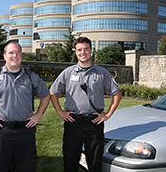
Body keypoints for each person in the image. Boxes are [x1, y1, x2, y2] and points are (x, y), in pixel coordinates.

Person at [0, 40, 50, 172]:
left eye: (18, 52)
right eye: (11, 52)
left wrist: (38, 114)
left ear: (21, 56)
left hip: (25, 131)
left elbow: (46, 95)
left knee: (26, 168)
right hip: (1, 131)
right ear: (5, 56)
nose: (15, 55)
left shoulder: (31, 77)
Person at [50, 37, 122, 172]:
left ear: (91, 50)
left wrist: (107, 114)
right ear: (76, 52)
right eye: (79, 50)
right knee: (70, 162)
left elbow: (117, 94)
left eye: (86, 49)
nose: (83, 52)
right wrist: (60, 111)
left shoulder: (102, 73)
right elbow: (53, 93)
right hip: (73, 123)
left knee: (95, 163)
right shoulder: (68, 72)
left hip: (94, 123)